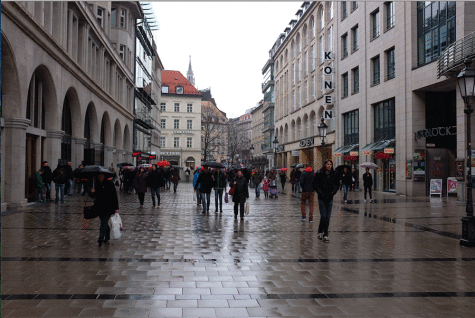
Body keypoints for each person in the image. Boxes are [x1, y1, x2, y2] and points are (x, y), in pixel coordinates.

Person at [312, 160, 340, 243]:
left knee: (327, 218)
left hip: (330, 197)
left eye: (330, 164)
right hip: (322, 197)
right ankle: (320, 230)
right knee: (323, 216)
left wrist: (333, 192)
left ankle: (325, 234)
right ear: (324, 165)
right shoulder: (319, 173)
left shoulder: (334, 173)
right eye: (328, 164)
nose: (329, 166)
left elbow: (337, 184)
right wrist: (320, 192)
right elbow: (314, 184)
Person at [90, 172, 119, 246]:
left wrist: (116, 208)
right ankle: (107, 235)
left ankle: (101, 238)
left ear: (104, 176)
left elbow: (114, 197)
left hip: (108, 207)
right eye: (99, 176)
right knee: (104, 222)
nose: (100, 177)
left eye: (101, 176)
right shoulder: (96, 184)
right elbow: (93, 196)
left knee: (104, 222)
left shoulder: (110, 184)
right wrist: (92, 192)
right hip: (99, 207)